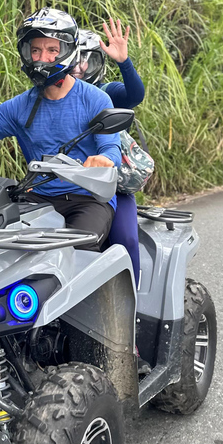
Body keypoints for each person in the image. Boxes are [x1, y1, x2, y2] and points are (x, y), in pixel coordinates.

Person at [0, 8, 122, 251]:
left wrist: (104, 160)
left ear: (68, 52)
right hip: (38, 196)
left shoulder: (95, 99)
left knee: (77, 251)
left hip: (88, 199)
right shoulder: (18, 107)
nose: (41, 58)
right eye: (35, 50)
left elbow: (110, 148)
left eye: (52, 50)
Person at [71, 19, 147, 281]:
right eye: (75, 59)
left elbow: (135, 95)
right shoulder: (49, 95)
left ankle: (131, 306)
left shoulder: (105, 92)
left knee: (126, 238)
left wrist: (124, 62)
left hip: (109, 185)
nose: (81, 67)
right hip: (63, 186)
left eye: (88, 60)